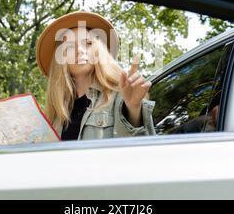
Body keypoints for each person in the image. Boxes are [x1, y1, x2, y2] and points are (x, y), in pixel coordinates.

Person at [35, 11, 156, 140]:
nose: (80, 50)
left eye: (88, 43)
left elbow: (141, 150)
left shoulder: (121, 95)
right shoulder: (55, 115)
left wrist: (133, 108)